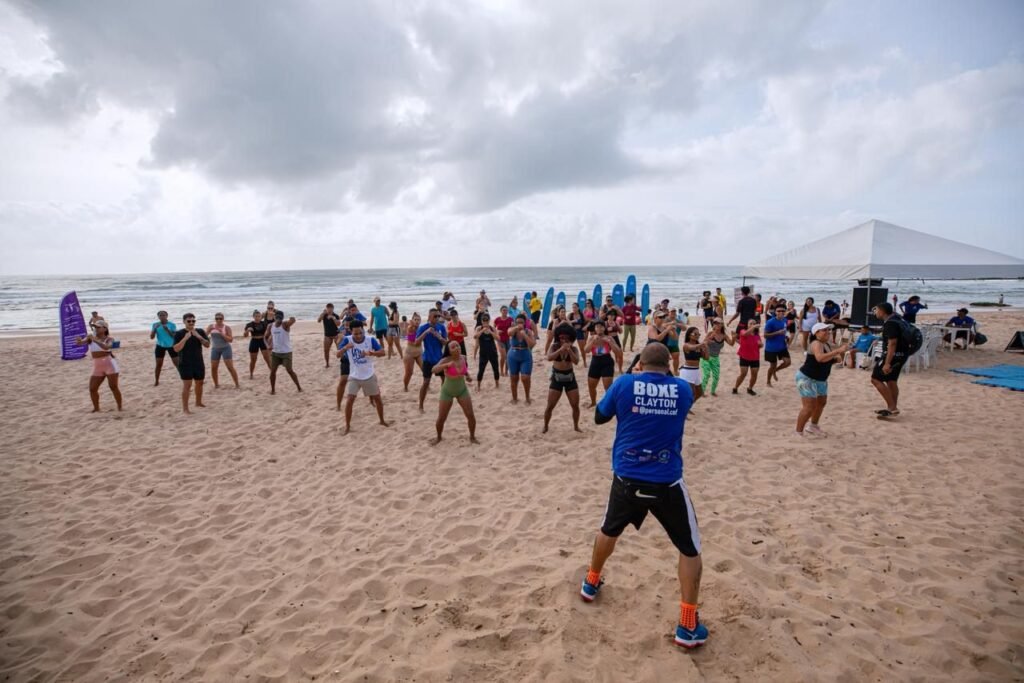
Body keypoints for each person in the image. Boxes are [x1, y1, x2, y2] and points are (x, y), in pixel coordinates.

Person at [580, 343, 707, 648]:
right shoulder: (681, 388)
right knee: (690, 549)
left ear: (640, 364)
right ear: (668, 365)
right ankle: (687, 625)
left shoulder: (624, 383)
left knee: (608, 529)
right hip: (666, 482)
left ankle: (592, 581)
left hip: (627, 476)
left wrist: (630, 379)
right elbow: (692, 392)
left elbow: (599, 416)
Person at [794, 323, 849, 436]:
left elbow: (826, 360)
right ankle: (798, 432)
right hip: (807, 378)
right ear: (816, 333)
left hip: (820, 378)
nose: (827, 332)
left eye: (828, 330)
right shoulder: (816, 343)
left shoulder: (826, 344)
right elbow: (819, 358)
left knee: (821, 402)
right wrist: (837, 351)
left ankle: (813, 426)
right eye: (824, 330)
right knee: (809, 406)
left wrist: (835, 359)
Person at [336, 320, 389, 433]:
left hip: (369, 375)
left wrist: (371, 353)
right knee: (350, 400)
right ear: (351, 331)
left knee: (378, 399)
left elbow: (383, 352)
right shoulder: (347, 339)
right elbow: (337, 354)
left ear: (363, 330)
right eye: (356, 333)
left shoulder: (370, 340)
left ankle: (382, 420)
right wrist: (345, 348)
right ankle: (348, 426)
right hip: (354, 376)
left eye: (361, 333)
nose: (359, 336)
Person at [430, 341, 479, 445]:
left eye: (457, 345)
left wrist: (468, 376)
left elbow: (465, 370)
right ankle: (438, 437)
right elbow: (433, 369)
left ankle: (472, 437)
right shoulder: (446, 360)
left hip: (462, 390)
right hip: (447, 391)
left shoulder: (463, 357)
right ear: (449, 351)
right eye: (453, 347)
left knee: (470, 415)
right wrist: (446, 365)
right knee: (442, 417)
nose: (457, 347)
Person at [76, 320, 123, 412]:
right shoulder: (91, 338)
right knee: (92, 388)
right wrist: (78, 340)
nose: (95, 328)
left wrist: (95, 340)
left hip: (110, 364)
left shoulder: (109, 339)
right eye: (95, 327)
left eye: (98, 327)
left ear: (105, 328)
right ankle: (96, 408)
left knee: (113, 387)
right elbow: (80, 343)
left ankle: (119, 407)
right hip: (98, 366)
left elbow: (107, 347)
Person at [543, 323, 582, 433]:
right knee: (550, 405)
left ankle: (576, 426)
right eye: (561, 338)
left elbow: (576, 361)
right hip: (556, 377)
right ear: (558, 337)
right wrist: (560, 350)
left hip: (570, 378)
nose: (564, 340)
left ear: (571, 338)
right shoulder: (554, 346)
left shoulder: (573, 349)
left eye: (567, 338)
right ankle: (545, 426)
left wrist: (569, 350)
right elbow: (549, 358)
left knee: (575, 405)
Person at [871, 303, 907, 418]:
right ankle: (892, 409)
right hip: (902, 355)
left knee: (875, 379)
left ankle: (892, 407)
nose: (875, 312)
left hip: (893, 355)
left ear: (882, 311)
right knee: (891, 380)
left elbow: (892, 343)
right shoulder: (898, 319)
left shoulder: (890, 323)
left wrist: (887, 363)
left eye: (876, 310)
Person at [172, 313, 210, 414]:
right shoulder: (179, 333)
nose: (191, 323)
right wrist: (185, 338)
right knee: (187, 385)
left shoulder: (200, 331)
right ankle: (185, 409)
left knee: (199, 383)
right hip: (185, 363)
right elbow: (176, 349)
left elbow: (207, 345)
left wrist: (198, 337)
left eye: (193, 321)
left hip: (198, 362)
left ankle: (198, 402)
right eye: (189, 321)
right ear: (184, 321)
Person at [416, 309, 448, 411]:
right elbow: (416, 342)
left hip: (439, 359)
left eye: (438, 316)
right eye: (435, 316)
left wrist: (438, 337)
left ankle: (443, 401)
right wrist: (426, 332)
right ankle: (421, 405)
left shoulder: (441, 327)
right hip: (428, 359)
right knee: (426, 382)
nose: (437, 318)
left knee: (444, 380)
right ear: (429, 317)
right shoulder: (423, 328)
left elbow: (445, 343)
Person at [584, 319, 620, 407]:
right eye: (597, 327)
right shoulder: (591, 338)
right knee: (591, 386)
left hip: (606, 361)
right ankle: (593, 402)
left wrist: (610, 343)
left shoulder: (609, 338)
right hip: (595, 361)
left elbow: (618, 352)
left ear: (604, 328)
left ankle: (609, 404)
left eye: (601, 327)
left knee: (608, 387)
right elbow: (586, 350)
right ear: (595, 329)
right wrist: (592, 341)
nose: (599, 328)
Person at [268, 310, 302, 394]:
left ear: (282, 318)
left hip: (286, 352)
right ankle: (273, 390)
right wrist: (268, 345)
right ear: (274, 318)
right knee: (272, 371)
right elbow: (265, 337)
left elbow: (293, 320)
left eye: (280, 318)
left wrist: (291, 319)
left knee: (289, 370)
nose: (278, 320)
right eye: (277, 317)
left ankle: (299, 387)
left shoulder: (284, 325)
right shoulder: (270, 326)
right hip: (275, 353)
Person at [507, 313, 536, 404]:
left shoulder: (528, 332)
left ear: (524, 323)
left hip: (525, 355)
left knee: (525, 377)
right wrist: (516, 328)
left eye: (521, 322)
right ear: (515, 322)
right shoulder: (512, 330)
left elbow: (532, 345)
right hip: (513, 356)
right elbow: (509, 333)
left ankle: (527, 397)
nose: (520, 324)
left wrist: (525, 335)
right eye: (518, 322)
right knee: (514, 378)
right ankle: (514, 398)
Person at [700, 320, 733, 398]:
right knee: (707, 375)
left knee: (716, 376)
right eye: (715, 323)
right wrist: (711, 336)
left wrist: (734, 337)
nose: (716, 325)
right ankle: (702, 391)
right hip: (706, 357)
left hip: (715, 358)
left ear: (722, 325)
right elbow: (703, 343)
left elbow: (731, 344)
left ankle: (713, 391)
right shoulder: (710, 333)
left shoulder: (724, 335)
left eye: (718, 323)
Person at [206, 313, 239, 389]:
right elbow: (205, 336)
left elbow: (230, 340)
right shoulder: (211, 326)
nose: (218, 320)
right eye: (217, 318)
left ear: (223, 319)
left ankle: (237, 384)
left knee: (230, 367)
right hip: (215, 349)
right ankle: (216, 384)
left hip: (225, 348)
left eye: (220, 318)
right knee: (213, 368)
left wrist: (222, 333)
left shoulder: (226, 327)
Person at [763, 306, 791, 387]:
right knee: (772, 365)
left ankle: (775, 371)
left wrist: (786, 337)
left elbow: (785, 331)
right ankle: (768, 381)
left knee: (787, 362)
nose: (781, 312)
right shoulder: (770, 322)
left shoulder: (785, 320)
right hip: (771, 348)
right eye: (778, 311)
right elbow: (765, 335)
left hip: (782, 346)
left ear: (785, 312)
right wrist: (777, 333)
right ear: (775, 312)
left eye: (782, 311)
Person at [732, 319, 762, 395]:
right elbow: (745, 334)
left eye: (754, 323)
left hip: (755, 357)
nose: (752, 324)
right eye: (751, 323)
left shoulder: (757, 335)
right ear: (747, 325)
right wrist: (754, 326)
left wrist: (761, 345)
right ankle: (735, 388)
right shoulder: (743, 331)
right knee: (743, 374)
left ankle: (750, 388)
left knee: (754, 374)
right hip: (744, 356)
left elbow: (760, 345)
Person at [150, 310, 178, 386]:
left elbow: (174, 336)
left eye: (163, 315)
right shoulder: (155, 324)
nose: (162, 317)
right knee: (158, 364)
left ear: (167, 316)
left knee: (177, 364)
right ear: (158, 317)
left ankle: (184, 379)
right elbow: (151, 337)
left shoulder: (172, 325)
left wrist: (167, 330)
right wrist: (154, 329)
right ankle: (156, 381)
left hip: (171, 345)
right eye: (160, 315)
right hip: (160, 346)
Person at [474, 313, 501, 389]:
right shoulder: (479, 328)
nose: (485, 322)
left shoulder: (492, 328)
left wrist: (491, 332)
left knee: (495, 369)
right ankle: (478, 386)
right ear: (481, 321)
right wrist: (474, 354)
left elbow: (498, 338)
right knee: (481, 370)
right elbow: (475, 337)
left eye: (487, 320)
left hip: (492, 352)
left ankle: (497, 384)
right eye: (483, 320)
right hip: (483, 353)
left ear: (489, 320)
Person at [679, 327, 706, 401]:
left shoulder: (699, 346)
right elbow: (692, 348)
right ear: (689, 335)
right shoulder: (686, 345)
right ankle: (685, 408)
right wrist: (702, 344)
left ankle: (688, 406)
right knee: (690, 392)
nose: (697, 335)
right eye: (695, 334)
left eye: (699, 334)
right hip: (688, 371)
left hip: (696, 371)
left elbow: (706, 358)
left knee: (699, 392)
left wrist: (706, 348)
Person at [244, 310, 271, 378]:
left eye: (259, 316)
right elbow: (245, 335)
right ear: (253, 317)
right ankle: (251, 374)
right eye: (256, 316)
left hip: (263, 341)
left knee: (267, 358)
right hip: (254, 341)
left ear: (261, 317)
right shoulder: (249, 324)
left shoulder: (264, 323)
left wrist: (269, 341)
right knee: (253, 360)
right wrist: (247, 331)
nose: (257, 318)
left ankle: (272, 372)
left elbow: (268, 333)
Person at [402, 313, 423, 391]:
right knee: (409, 373)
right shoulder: (410, 328)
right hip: (409, 353)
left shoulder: (421, 328)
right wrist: (424, 334)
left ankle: (426, 385)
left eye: (418, 320)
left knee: (425, 370)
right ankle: (405, 386)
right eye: (415, 319)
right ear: (412, 320)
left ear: (420, 321)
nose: (417, 321)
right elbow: (414, 342)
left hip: (419, 352)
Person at [317, 304, 342, 368]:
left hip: (336, 334)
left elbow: (338, 324)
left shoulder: (336, 315)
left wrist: (333, 318)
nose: (329, 309)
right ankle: (327, 363)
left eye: (330, 308)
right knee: (326, 350)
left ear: (333, 308)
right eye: (328, 308)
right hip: (327, 335)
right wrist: (323, 313)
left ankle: (343, 362)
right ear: (326, 308)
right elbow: (318, 320)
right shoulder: (324, 315)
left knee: (340, 349)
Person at [494, 305, 514, 376]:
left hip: (508, 340)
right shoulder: (497, 319)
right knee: (503, 356)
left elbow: (513, 328)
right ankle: (501, 371)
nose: (505, 311)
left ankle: (506, 371)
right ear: (501, 311)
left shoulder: (510, 319)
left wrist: (512, 326)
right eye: (503, 310)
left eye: (506, 310)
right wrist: (497, 331)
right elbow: (493, 329)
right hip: (500, 340)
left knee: (508, 356)